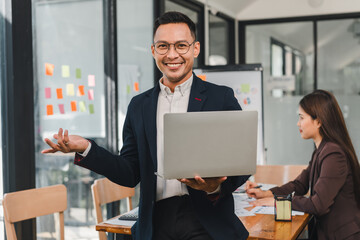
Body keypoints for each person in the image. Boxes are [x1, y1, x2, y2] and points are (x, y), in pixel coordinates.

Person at [42, 11, 250, 240]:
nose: (172, 55)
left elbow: (240, 162)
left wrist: (213, 187)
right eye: (163, 46)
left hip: (207, 220)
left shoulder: (220, 98)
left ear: (195, 49)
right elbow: (130, 173)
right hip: (156, 222)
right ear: (153, 50)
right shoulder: (139, 106)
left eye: (181, 46)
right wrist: (85, 147)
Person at [245, 90, 360, 240]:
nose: (298, 123)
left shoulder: (334, 154)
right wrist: (266, 194)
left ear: (318, 121)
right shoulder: (322, 150)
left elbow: (318, 205)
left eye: (301, 118)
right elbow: (299, 185)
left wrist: (278, 202)